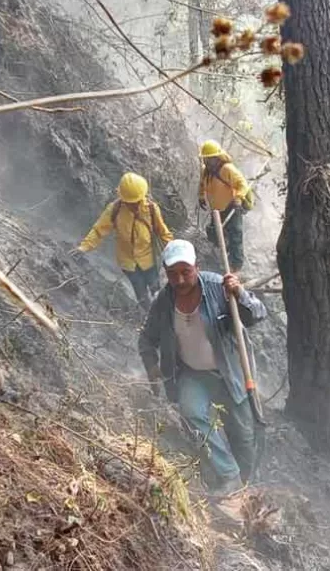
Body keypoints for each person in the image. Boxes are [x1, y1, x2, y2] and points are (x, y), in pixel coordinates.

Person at [138, 239, 267, 497]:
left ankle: (247, 484)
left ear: (196, 266)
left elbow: (256, 314)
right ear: (166, 273)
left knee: (242, 435)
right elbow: (146, 339)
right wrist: (152, 368)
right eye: (173, 274)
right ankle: (228, 475)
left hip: (230, 372)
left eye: (186, 271)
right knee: (191, 411)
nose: (181, 279)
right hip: (192, 374)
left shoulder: (219, 287)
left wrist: (239, 293)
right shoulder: (163, 303)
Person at [74, 172, 174, 310]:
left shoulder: (150, 209)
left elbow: (163, 232)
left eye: (137, 201)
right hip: (128, 263)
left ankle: (164, 314)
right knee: (142, 294)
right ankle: (150, 317)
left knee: (156, 289)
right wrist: (84, 247)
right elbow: (98, 230)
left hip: (148, 259)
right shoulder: (114, 210)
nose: (134, 205)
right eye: (131, 202)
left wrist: (174, 253)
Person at [197, 140, 249, 274]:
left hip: (231, 207)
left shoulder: (227, 169)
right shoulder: (206, 171)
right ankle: (223, 256)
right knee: (215, 234)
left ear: (217, 157)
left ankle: (236, 266)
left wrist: (238, 198)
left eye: (209, 159)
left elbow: (242, 184)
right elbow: (202, 184)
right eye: (205, 159)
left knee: (235, 236)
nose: (207, 162)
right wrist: (201, 196)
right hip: (216, 210)